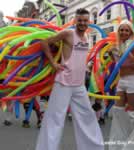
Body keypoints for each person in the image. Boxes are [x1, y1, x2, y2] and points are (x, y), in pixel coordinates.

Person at [35, 8, 104, 150]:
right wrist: (54, 63)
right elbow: (44, 42)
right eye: (80, 20)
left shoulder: (86, 37)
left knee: (88, 115)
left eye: (85, 20)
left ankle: (93, 147)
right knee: (55, 119)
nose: (82, 23)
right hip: (63, 83)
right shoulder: (68, 33)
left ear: (89, 22)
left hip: (79, 85)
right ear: (74, 21)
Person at [108, 20, 134, 150]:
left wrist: (127, 54)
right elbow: (118, 65)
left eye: (126, 30)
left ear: (131, 33)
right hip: (122, 81)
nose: (124, 32)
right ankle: (117, 144)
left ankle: (132, 147)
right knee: (118, 112)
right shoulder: (118, 46)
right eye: (121, 30)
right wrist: (112, 54)